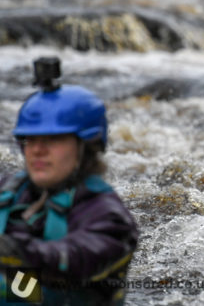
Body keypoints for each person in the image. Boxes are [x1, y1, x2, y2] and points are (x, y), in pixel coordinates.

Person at [0, 57, 138, 305]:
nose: (37, 150)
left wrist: (14, 249)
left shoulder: (109, 218)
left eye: (52, 139)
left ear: (86, 146)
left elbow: (74, 259)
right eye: (29, 140)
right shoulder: (8, 192)